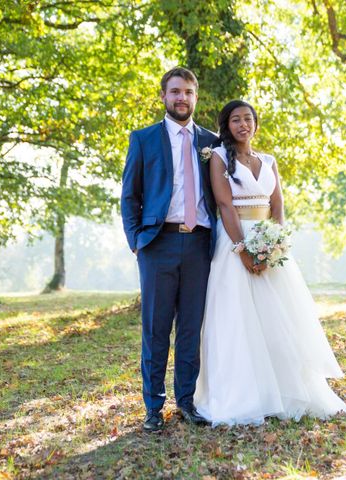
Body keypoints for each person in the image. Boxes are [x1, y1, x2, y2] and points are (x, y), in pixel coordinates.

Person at [194, 100, 346, 425]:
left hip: (269, 240)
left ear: (255, 124)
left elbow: (277, 204)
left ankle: (284, 391)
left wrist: (276, 243)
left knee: (280, 318)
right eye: (236, 120)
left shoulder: (268, 160)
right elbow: (225, 206)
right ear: (227, 125)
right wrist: (243, 250)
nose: (243, 125)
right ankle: (246, 395)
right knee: (239, 319)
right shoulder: (220, 158)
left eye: (248, 119)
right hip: (235, 239)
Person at [121, 67, 217, 431]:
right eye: (175, 91)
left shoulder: (212, 142)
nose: (182, 98)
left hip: (199, 245)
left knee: (191, 328)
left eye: (189, 92)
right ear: (163, 96)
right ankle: (152, 407)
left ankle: (187, 403)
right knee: (156, 329)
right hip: (157, 244)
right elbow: (130, 195)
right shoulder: (144, 139)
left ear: (196, 97)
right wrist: (136, 243)